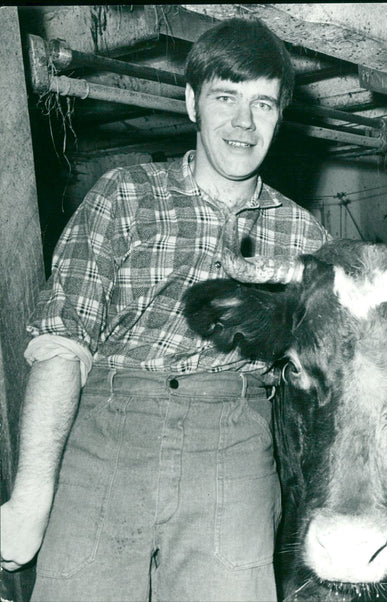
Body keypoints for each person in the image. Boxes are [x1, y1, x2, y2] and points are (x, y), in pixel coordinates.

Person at [0, 17, 330, 601]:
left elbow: (340, 368)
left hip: (232, 445)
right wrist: (30, 495)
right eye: (225, 97)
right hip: (108, 431)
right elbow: (62, 344)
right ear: (190, 103)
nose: (243, 123)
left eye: (264, 104)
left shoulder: (306, 237)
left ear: (281, 117)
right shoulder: (123, 193)